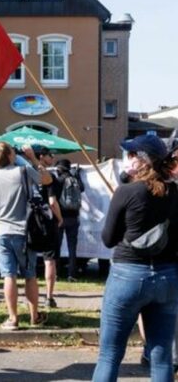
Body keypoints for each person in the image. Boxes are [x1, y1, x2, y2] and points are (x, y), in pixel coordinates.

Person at [93, 135, 178, 381]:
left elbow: (108, 239)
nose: (127, 159)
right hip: (168, 276)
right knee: (162, 357)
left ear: (142, 160)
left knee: (109, 355)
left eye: (131, 155)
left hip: (128, 275)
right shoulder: (175, 192)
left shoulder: (126, 191)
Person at [0, 142, 52, 330]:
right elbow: (46, 180)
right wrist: (33, 158)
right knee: (30, 275)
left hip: (1, 232)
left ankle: (13, 318)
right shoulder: (23, 171)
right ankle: (34, 316)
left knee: (8, 276)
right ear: (11, 156)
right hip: (23, 231)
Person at [33, 146, 64, 309]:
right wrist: (60, 219)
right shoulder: (50, 177)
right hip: (47, 221)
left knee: (29, 260)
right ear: (41, 157)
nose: (52, 158)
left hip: (30, 220)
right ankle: (49, 297)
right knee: (49, 261)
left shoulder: (26, 174)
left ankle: (30, 296)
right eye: (50, 155)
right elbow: (52, 202)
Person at [55, 158, 86, 281]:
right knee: (72, 247)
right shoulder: (75, 180)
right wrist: (77, 174)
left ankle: (56, 273)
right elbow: (82, 189)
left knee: (56, 246)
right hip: (74, 218)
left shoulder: (59, 180)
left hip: (60, 217)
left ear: (60, 169)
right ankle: (72, 274)